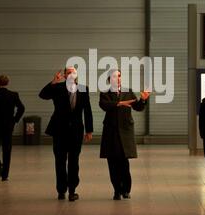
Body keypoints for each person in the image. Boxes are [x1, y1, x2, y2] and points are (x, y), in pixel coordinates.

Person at [39, 67, 93, 201]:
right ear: (64, 75)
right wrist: (53, 82)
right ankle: (61, 190)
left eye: (73, 72)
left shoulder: (83, 88)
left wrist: (89, 130)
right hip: (59, 130)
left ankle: (72, 190)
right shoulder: (57, 88)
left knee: (74, 161)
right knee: (60, 161)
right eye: (68, 72)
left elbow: (87, 110)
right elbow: (42, 95)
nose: (70, 74)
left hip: (76, 130)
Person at [99, 69, 150, 200]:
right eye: (115, 76)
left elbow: (137, 107)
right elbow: (104, 105)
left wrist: (143, 100)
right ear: (110, 79)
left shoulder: (128, 92)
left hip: (125, 130)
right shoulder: (105, 93)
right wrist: (119, 103)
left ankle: (126, 190)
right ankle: (116, 190)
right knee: (112, 163)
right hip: (111, 132)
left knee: (124, 162)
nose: (118, 78)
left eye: (119, 76)